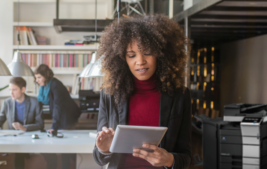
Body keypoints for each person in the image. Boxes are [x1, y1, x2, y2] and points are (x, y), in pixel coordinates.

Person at [93, 14, 192, 169]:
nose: (140, 61)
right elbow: (100, 158)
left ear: (161, 54)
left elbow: (187, 157)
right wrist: (103, 149)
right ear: (122, 58)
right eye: (131, 55)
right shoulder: (110, 94)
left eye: (147, 53)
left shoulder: (180, 95)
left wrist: (169, 160)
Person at [34, 64, 81, 169]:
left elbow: (57, 106)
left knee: (66, 149)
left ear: (46, 75)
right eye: (36, 78)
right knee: (65, 149)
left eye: (39, 77)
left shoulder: (55, 85)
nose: (37, 80)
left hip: (67, 118)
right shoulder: (46, 86)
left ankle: (84, 161)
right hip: (62, 117)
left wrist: (54, 126)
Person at [0, 77, 44, 169]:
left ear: (23, 89)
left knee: (20, 153)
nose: (11, 93)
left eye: (14, 90)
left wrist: (24, 128)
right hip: (14, 138)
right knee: (18, 153)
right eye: (10, 90)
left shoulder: (35, 102)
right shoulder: (7, 102)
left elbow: (40, 124)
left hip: (29, 136)